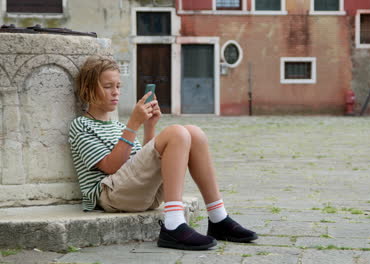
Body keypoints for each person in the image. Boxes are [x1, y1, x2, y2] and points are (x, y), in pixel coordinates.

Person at [69, 55, 257, 250]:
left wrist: (149, 126)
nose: (115, 92)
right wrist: (134, 124)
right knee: (176, 133)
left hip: (134, 192)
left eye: (118, 86)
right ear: (88, 90)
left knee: (194, 133)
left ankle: (218, 218)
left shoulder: (117, 126)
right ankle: (173, 225)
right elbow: (111, 167)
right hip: (110, 195)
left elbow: (141, 165)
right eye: (108, 87)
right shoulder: (81, 126)